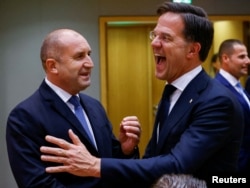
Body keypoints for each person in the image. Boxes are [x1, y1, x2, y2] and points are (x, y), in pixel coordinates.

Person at [40, 2, 244, 187]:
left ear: (192, 50)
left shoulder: (217, 100)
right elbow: (153, 159)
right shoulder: (172, 91)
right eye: (154, 35)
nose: (155, 43)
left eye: (165, 38)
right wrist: (127, 152)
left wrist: (96, 165)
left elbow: (177, 164)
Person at [6, 29, 141, 188]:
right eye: (79, 56)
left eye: (89, 54)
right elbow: (36, 183)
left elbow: (108, 164)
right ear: (53, 66)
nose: (90, 64)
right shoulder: (25, 116)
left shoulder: (94, 106)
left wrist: (125, 151)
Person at [215, 39, 250, 174]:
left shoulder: (240, 87)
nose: (247, 61)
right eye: (241, 57)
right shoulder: (218, 90)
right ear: (225, 58)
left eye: (247, 56)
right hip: (234, 171)